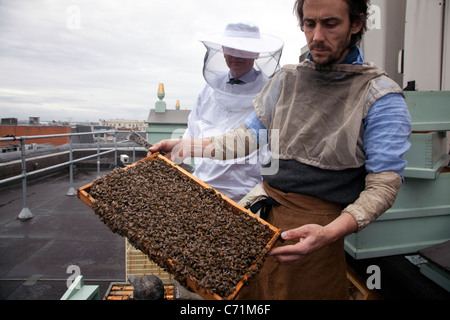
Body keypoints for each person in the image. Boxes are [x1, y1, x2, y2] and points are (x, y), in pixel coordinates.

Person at [149, 0, 412, 300]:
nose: (316, 37)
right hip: (260, 212)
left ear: (355, 24)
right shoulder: (287, 80)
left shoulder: (380, 96)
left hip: (316, 230)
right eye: (309, 24)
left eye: (330, 24)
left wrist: (329, 233)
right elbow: (245, 137)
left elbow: (384, 185)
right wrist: (184, 146)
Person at [183, 22, 284, 202]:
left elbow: (273, 149)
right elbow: (192, 130)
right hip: (201, 187)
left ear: (257, 53)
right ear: (222, 50)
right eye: (232, 49)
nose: (236, 55)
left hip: (246, 195)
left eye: (244, 50)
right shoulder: (208, 89)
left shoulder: (270, 92)